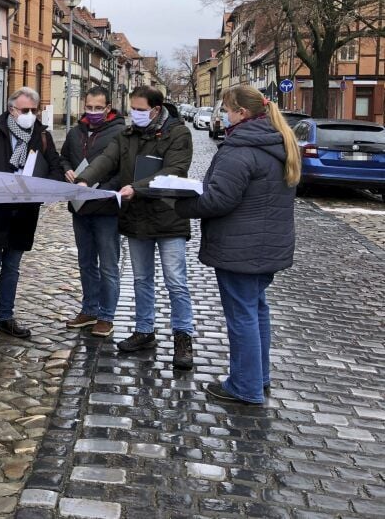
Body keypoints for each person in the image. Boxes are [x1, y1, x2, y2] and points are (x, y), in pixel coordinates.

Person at [175, 85, 298, 404]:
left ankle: (245, 386)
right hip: (268, 246)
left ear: (242, 113)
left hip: (239, 248)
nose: (224, 116)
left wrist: (179, 204)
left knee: (242, 315)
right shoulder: (279, 141)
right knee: (256, 309)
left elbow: (218, 200)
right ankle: (259, 377)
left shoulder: (240, 148)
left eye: (227, 109)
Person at [77, 86, 196, 370]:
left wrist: (137, 188)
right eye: (133, 108)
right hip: (137, 217)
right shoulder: (127, 135)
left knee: (175, 281)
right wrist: (84, 180)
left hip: (169, 216)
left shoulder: (178, 133)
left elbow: (175, 170)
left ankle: (183, 337)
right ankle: (145, 330)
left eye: (141, 110)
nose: (135, 114)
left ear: (156, 110)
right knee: (142, 279)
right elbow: (106, 159)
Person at [0, 87, 66, 346]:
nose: (30, 115)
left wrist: (42, 188)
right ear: (11, 110)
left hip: (23, 213)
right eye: (25, 110)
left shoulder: (41, 135)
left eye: (34, 110)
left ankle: (6, 317)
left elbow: (55, 165)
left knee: (12, 268)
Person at [60, 86, 127, 338]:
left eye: (99, 108)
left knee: (109, 264)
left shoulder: (120, 133)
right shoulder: (75, 132)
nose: (94, 112)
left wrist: (103, 189)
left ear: (108, 107)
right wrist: (66, 170)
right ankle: (89, 309)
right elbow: (63, 158)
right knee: (86, 262)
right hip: (80, 208)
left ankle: (106, 316)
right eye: (90, 107)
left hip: (106, 207)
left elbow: (123, 170)